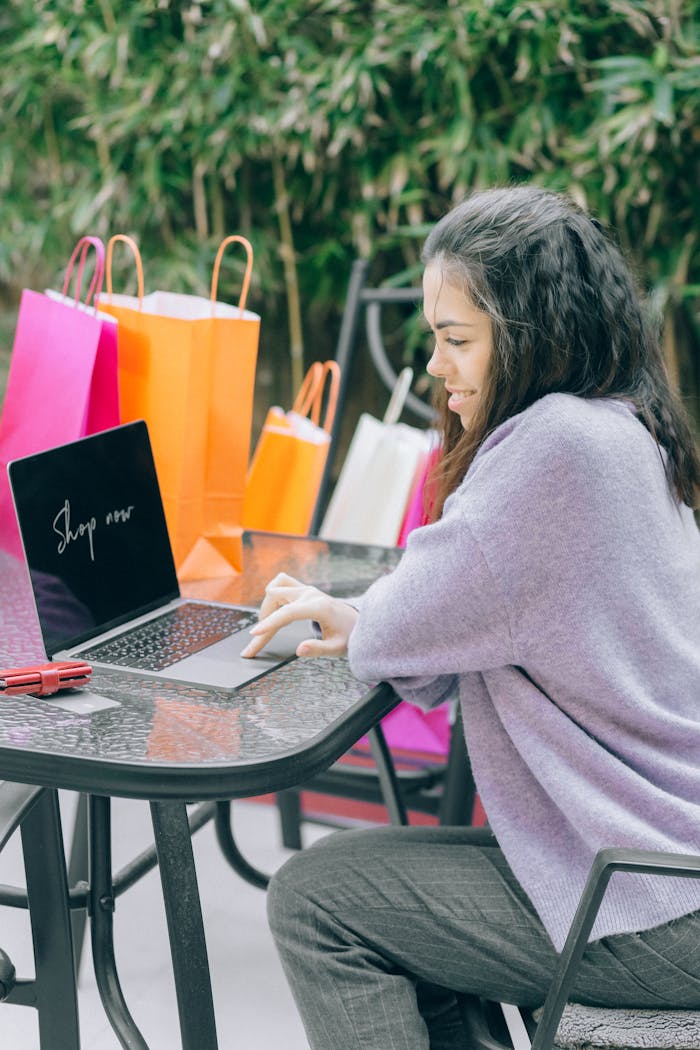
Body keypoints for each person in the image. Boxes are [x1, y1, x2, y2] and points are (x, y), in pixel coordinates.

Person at [241, 184, 700, 1049]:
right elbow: (436, 638)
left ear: (533, 339)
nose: (437, 367)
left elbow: (407, 639)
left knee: (317, 903)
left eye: (458, 340)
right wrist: (374, 621)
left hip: (650, 898)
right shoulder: (627, 430)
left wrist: (358, 619)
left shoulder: (553, 449)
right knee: (388, 910)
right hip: (662, 865)